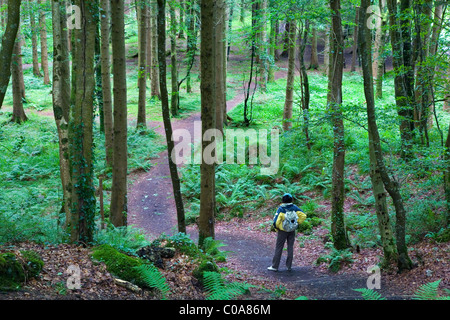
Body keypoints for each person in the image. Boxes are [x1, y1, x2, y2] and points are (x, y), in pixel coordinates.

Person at [268, 193, 306, 272]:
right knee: (290, 247)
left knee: (279, 247)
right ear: (291, 199)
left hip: (282, 231)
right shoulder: (294, 207)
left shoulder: (281, 209)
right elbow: (303, 215)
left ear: (283, 200)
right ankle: (289, 266)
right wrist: (297, 223)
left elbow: (275, 222)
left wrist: (277, 228)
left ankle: (275, 266)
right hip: (292, 230)